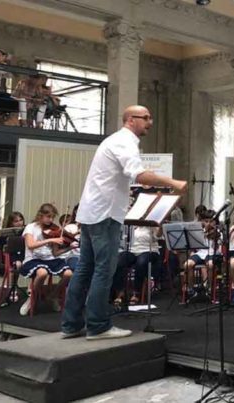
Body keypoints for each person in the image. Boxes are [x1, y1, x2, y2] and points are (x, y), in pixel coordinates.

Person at [60, 105, 186, 340]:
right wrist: (173, 182)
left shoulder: (115, 141)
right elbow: (138, 174)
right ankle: (98, 326)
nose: (150, 122)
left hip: (92, 212)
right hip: (105, 214)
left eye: (151, 117)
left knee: (86, 269)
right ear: (130, 120)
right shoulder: (124, 141)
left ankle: (71, 325)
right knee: (104, 269)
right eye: (146, 118)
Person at [19, 203, 73, 316]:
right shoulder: (31, 227)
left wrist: (69, 248)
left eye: (53, 217)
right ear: (40, 215)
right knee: (42, 273)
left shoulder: (54, 229)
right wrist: (50, 240)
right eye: (48, 217)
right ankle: (32, 298)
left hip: (50, 259)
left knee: (68, 274)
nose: (51, 220)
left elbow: (55, 252)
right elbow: (30, 245)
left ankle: (53, 295)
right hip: (34, 258)